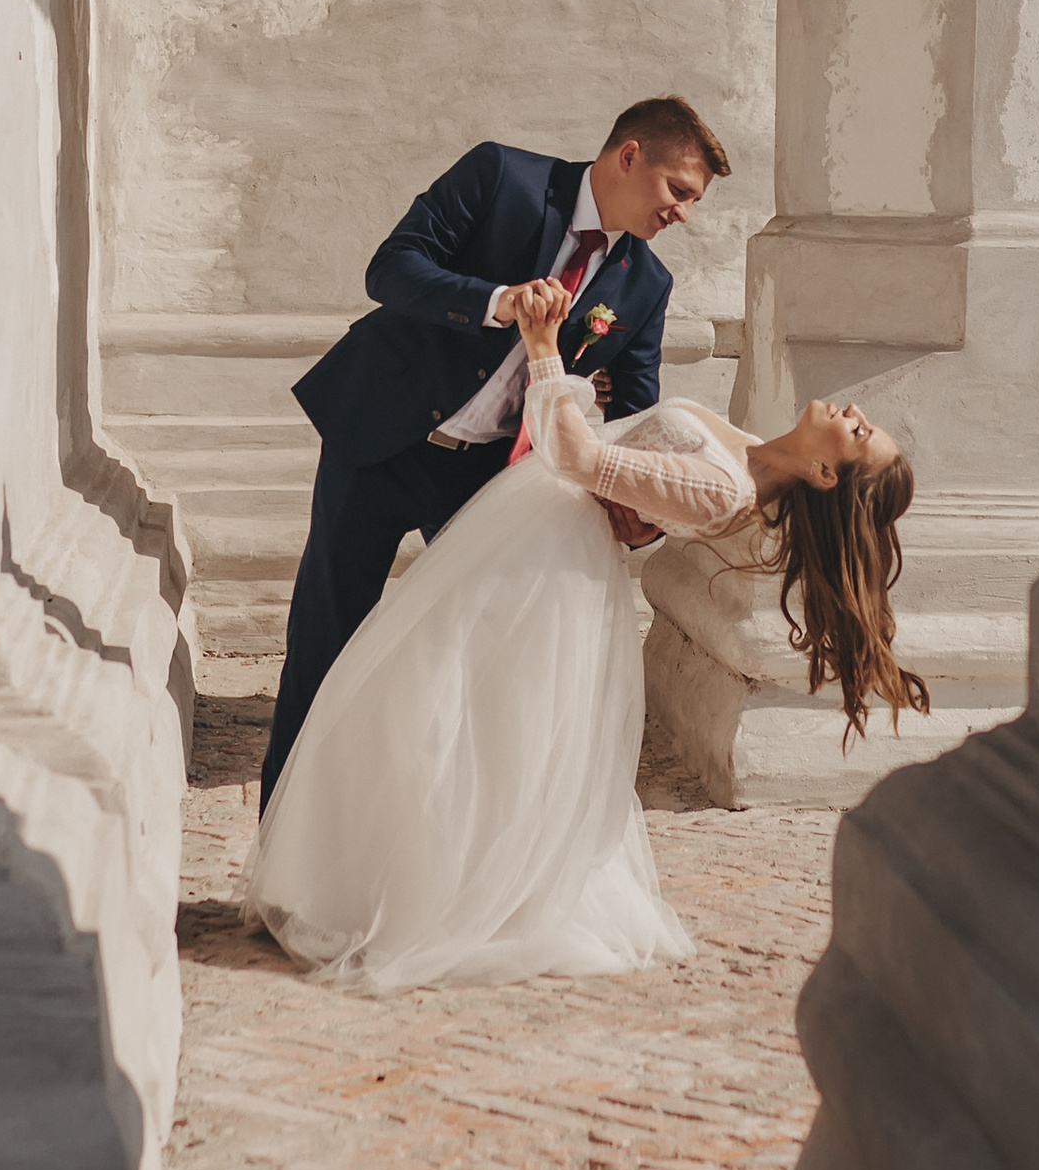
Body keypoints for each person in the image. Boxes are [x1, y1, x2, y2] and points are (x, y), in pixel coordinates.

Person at [242, 277, 928, 995]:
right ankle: (364, 879)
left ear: (825, 474)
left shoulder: (729, 490)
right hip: (530, 536)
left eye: (857, 434)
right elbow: (624, 472)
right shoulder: (749, 452)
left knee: (437, 713)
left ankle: (417, 899)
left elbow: (578, 458)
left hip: (541, 566)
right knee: (428, 707)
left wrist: (541, 348)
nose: (852, 413)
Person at [264, 99, 730, 800]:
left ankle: (423, 840)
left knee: (474, 662)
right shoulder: (503, 178)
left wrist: (639, 510)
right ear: (629, 156)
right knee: (324, 643)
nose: (683, 215)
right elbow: (390, 269)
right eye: (678, 192)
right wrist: (497, 301)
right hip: (381, 437)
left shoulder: (646, 284)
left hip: (486, 480)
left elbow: (634, 415)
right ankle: (279, 859)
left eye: (692, 202)